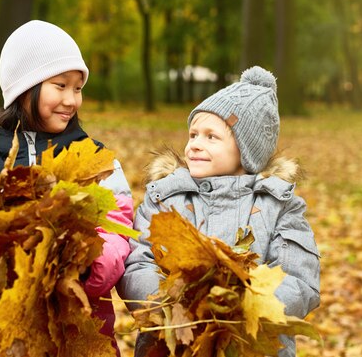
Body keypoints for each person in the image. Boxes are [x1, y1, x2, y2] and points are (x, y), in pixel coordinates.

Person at [0, 20, 134, 357]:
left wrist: (87, 264)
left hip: (76, 336)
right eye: (60, 85)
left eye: (78, 88)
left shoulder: (94, 160)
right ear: (24, 88)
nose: (71, 99)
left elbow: (118, 231)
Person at [118, 66, 320, 357]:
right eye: (193, 134)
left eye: (212, 137)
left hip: (250, 345)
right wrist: (168, 306)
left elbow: (301, 281)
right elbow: (139, 263)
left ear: (246, 152)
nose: (195, 145)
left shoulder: (279, 206)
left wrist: (242, 309)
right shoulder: (165, 198)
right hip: (173, 342)